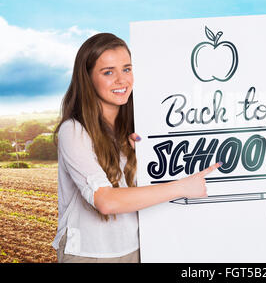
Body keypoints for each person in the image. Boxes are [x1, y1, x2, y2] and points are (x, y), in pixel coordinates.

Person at [52, 33, 219, 263]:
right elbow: (106, 201)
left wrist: (145, 155)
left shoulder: (138, 128)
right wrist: (182, 187)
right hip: (89, 254)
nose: (122, 80)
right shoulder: (73, 130)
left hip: (141, 249)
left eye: (127, 69)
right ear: (87, 78)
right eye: (108, 72)